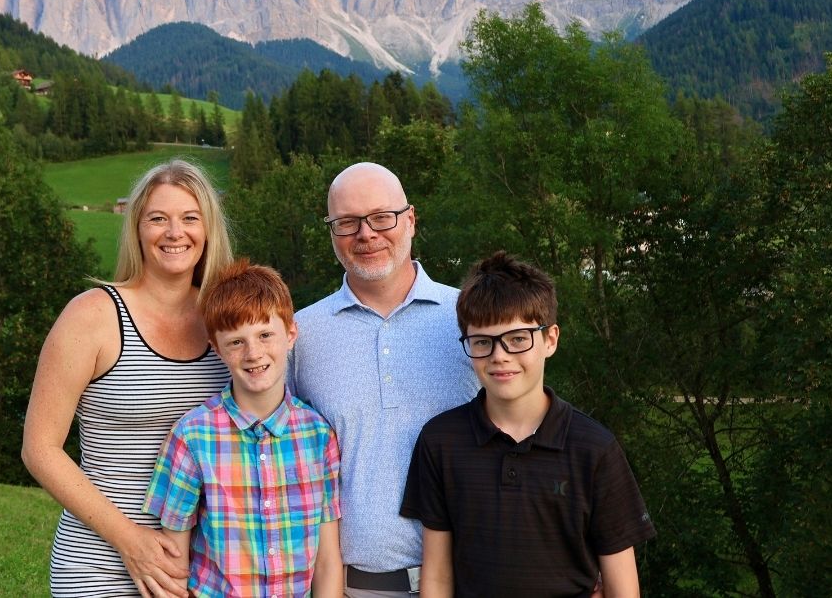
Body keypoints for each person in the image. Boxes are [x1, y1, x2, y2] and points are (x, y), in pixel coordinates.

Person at [22, 159, 234, 598]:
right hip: (100, 561)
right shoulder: (93, 316)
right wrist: (130, 540)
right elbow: (39, 449)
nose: (175, 232)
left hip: (200, 570)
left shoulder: (226, 322)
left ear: (209, 228)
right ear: (137, 229)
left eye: (190, 218)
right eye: (158, 218)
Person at [401, 251, 656, 597]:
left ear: (550, 339)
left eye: (518, 338)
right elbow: (438, 576)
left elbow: (622, 586)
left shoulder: (593, 449)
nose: (499, 355)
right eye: (482, 342)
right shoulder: (440, 442)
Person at [291, 162, 480, 597]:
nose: (366, 233)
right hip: (352, 588)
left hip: (471, 580)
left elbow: (526, 431)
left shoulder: (469, 319)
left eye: (381, 217)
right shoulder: (300, 335)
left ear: (410, 219)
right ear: (331, 232)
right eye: (347, 222)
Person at [144, 259, 343, 598]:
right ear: (216, 347)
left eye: (266, 335)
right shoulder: (193, 436)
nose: (254, 353)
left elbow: (326, 561)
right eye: (236, 342)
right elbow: (173, 559)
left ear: (290, 334)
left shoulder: (318, 436)